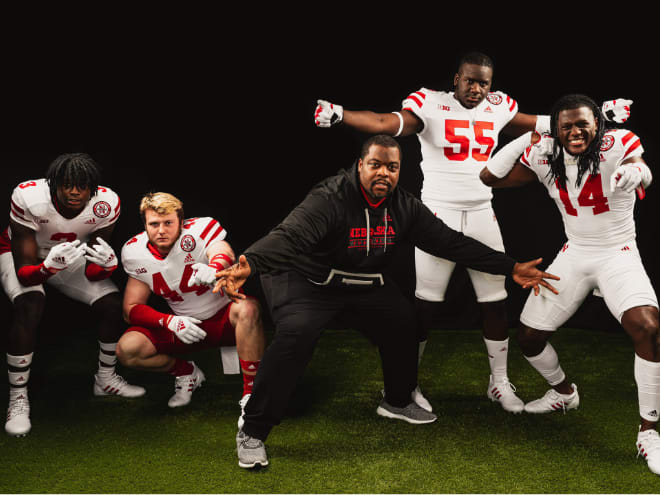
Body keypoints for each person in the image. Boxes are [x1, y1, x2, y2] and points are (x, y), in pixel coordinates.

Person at [213, 134, 560, 469]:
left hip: (362, 282)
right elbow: (290, 235)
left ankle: (396, 402)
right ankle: (253, 431)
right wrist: (251, 263)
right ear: (360, 165)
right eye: (376, 165)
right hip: (307, 281)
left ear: (399, 171)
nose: (384, 173)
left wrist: (510, 266)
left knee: (403, 321)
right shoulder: (330, 198)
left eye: (392, 167)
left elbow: (450, 243)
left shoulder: (404, 207)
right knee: (296, 336)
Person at [314, 52, 632, 413]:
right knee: (426, 304)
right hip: (436, 213)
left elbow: (547, 123)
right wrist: (342, 115)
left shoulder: (497, 106)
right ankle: (409, 382)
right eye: (470, 81)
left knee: (494, 300)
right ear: (456, 79)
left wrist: (600, 115)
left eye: (484, 83)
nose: (477, 89)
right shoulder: (431, 104)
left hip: (482, 210)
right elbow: (387, 121)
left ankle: (498, 382)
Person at [479, 94, 660, 475]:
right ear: (555, 130)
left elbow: (640, 166)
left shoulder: (618, 144)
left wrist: (636, 174)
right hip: (575, 253)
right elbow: (489, 177)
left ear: (598, 125)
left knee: (647, 328)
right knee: (528, 338)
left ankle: (649, 432)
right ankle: (564, 393)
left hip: (617, 252)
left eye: (583, 124)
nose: (576, 132)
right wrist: (526, 139)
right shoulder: (547, 154)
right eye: (566, 126)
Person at [0, 153, 145, 437]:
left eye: (82, 186)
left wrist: (108, 266)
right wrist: (47, 268)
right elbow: (25, 271)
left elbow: (92, 272)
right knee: (31, 302)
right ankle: (18, 397)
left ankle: (105, 379)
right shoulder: (29, 196)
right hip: (23, 258)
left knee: (112, 304)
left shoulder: (106, 203)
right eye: (66, 185)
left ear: (93, 188)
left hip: (68, 256)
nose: (74, 192)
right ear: (54, 184)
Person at [116, 192, 265, 423]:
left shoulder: (199, 230)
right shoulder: (135, 252)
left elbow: (223, 250)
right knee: (128, 348)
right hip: (186, 327)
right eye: (154, 224)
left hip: (226, 319)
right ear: (145, 225)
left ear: (181, 222)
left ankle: (251, 395)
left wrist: (214, 267)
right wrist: (170, 322)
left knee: (248, 308)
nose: (161, 230)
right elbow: (130, 308)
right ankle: (187, 373)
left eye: (168, 223)